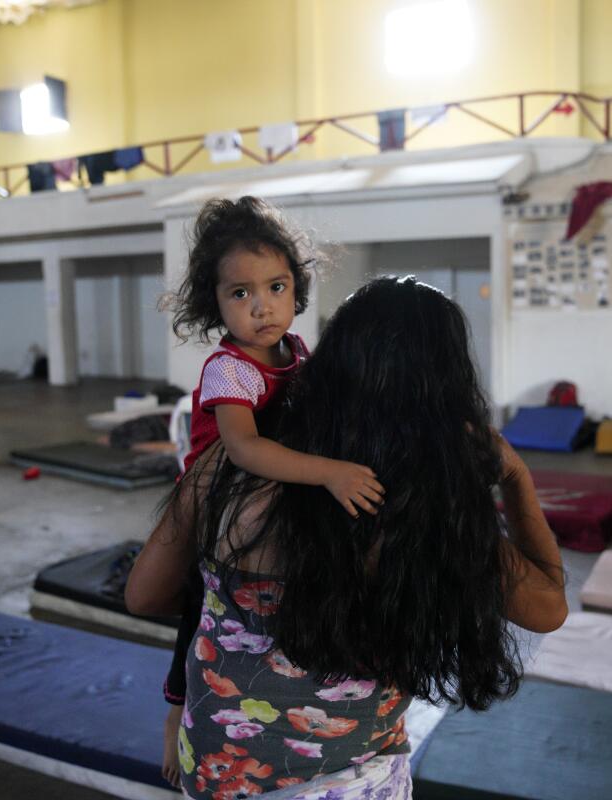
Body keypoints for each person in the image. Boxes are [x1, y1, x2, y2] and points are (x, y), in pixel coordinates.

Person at [127, 277, 568, 798]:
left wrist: (242, 605)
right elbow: (548, 609)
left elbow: (144, 595)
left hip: (220, 770)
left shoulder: (228, 461)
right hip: (353, 775)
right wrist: (516, 477)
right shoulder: (426, 506)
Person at [159, 197, 388, 781]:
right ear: (212, 302)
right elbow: (245, 448)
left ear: (296, 287)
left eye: (276, 287)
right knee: (195, 614)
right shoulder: (229, 368)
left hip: (267, 499)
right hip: (214, 505)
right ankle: (175, 720)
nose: (262, 307)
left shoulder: (298, 353)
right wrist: (331, 472)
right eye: (240, 294)